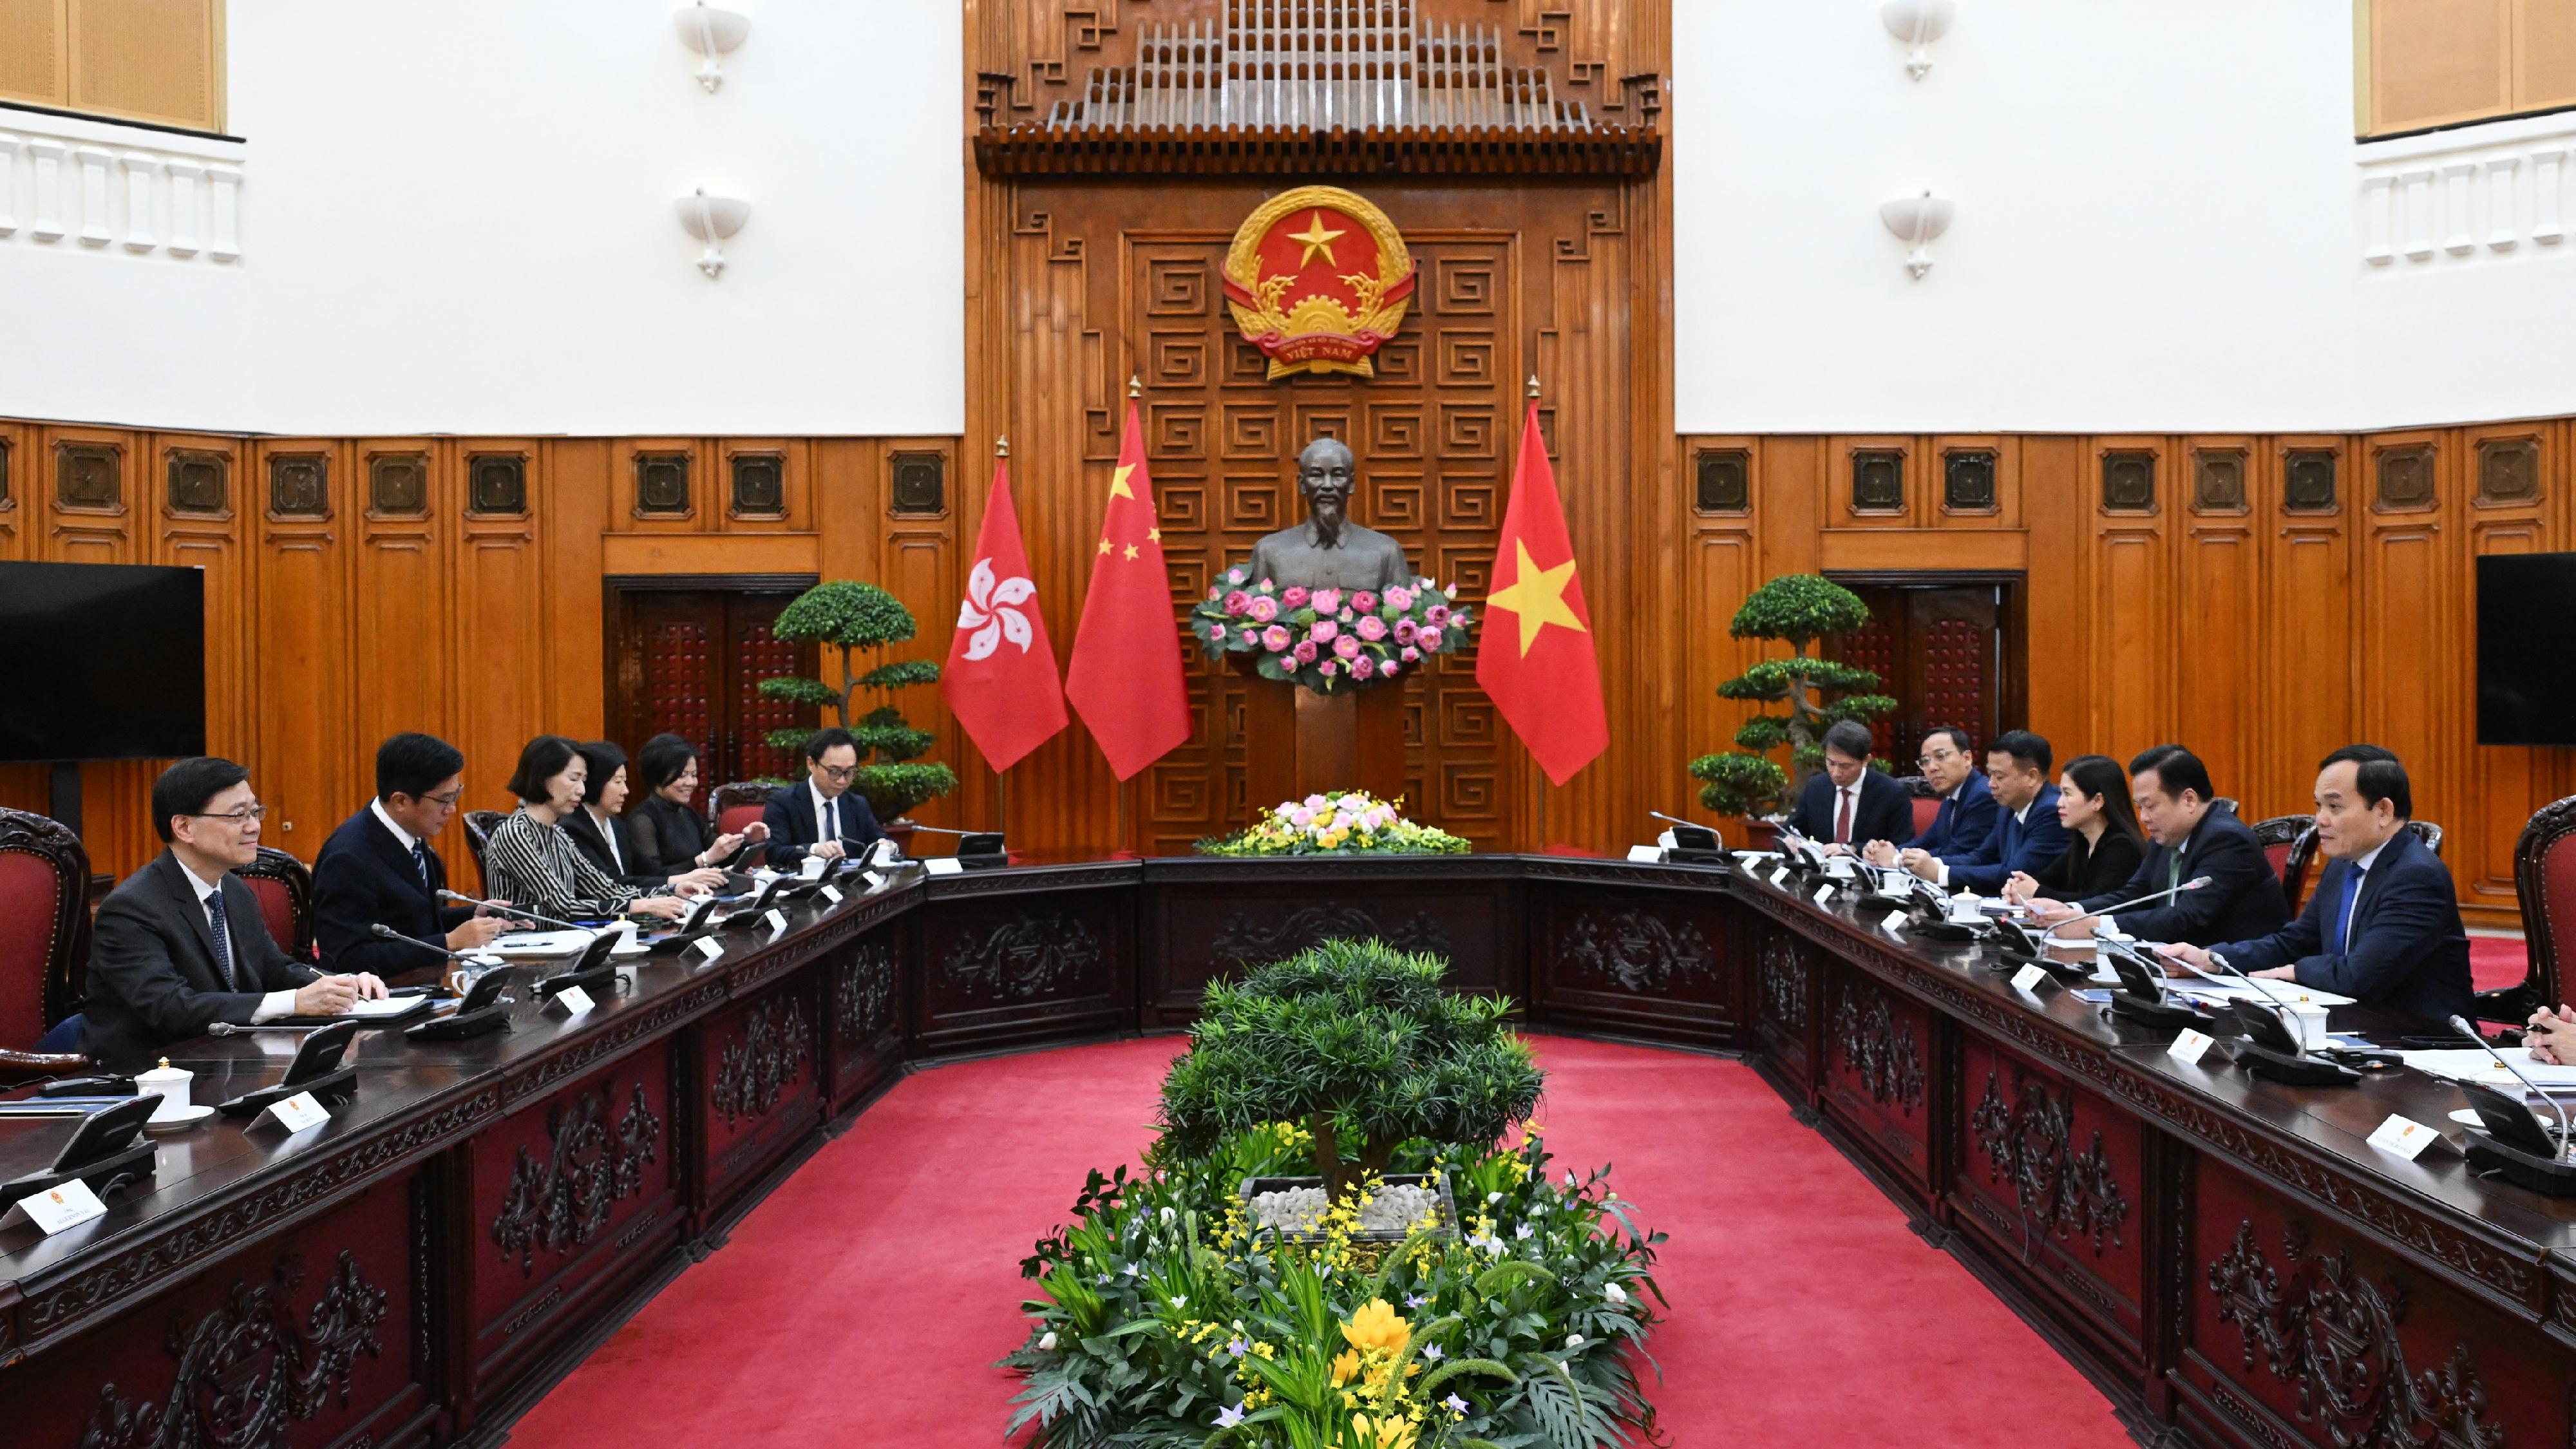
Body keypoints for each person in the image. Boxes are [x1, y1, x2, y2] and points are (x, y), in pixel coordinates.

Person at [83, 757, 386, 1069]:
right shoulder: (132, 908)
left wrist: (341, 985)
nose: (254, 826)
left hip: (226, 1062)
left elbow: (272, 967)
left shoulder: (233, 889)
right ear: (184, 827)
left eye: (255, 812)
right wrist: (295, 1001)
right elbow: (170, 1008)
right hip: (148, 1077)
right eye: (237, 815)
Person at [2158, 746, 2472, 1025]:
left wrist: (2294, 972)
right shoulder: (2342, 866)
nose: (2319, 820)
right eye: (2319, 806)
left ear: (2384, 811)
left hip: (2418, 1040)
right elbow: (2293, 942)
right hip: (2356, 1024)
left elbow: (2360, 976)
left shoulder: (2416, 876)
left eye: (2334, 807)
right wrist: (2212, 959)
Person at [2027, 744, 2289, 947]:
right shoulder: (2167, 836)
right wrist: (2072, 910)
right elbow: (2134, 895)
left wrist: (2095, 925)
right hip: (2180, 966)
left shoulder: (2228, 841)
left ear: (2188, 799)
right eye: (2140, 807)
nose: (2143, 818)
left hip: (2237, 978)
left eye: (2150, 806)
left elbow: (2186, 918)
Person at [312, 732, 523, 980]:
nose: (452, 809)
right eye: (444, 800)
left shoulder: (408, 833)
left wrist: (473, 914)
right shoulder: (348, 857)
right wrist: (449, 942)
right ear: (400, 800)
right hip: (384, 999)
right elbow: (349, 958)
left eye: (456, 795)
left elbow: (413, 923)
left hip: (426, 983)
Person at [481, 735, 694, 922]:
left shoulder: (558, 834)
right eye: (574, 779)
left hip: (560, 944)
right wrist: (640, 906)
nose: (582, 790)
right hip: (523, 949)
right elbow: (563, 905)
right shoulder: (516, 834)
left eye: (584, 780)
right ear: (543, 777)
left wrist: (669, 891)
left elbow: (604, 889)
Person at [1902, 730, 2070, 893]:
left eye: (1999, 777)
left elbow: (2013, 872)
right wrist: (1930, 864)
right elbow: (1980, 857)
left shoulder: (2051, 812)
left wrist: (1940, 873)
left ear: (2032, 777)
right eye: (1990, 775)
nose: (1991, 784)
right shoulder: (2008, 809)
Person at [562, 740, 727, 894]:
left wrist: (690, 878)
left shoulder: (615, 824)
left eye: (625, 782)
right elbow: (611, 884)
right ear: (597, 782)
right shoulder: (573, 828)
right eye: (618, 782)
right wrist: (684, 879)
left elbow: (652, 872)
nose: (625, 791)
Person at [2005, 753, 2150, 905]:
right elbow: (2045, 879)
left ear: (2097, 801)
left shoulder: (2122, 848)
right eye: (2061, 793)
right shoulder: (2083, 842)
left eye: (2067, 794)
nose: (2059, 803)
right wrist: (2017, 887)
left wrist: (2036, 893)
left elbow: (2096, 904)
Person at [629, 732, 768, 877]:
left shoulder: (688, 813)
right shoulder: (642, 820)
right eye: (682, 776)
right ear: (657, 776)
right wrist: (705, 860)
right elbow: (651, 878)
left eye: (694, 775)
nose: (691, 783)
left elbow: (722, 856)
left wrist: (746, 840)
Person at [1862, 726, 1994, 869]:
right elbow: (1927, 841)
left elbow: (1958, 851)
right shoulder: (1951, 796)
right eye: (1925, 761)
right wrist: (1884, 851)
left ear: (1967, 758)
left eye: (1941, 756)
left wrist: (1898, 859)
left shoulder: (1983, 795)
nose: (1932, 767)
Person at [761, 726, 885, 871]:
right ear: (811, 764)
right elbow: (774, 853)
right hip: (804, 888)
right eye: (834, 772)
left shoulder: (857, 804)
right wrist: (815, 850)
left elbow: (878, 840)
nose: (842, 781)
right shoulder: (784, 802)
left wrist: (887, 846)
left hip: (852, 886)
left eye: (849, 772)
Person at [1782, 720, 1910, 853]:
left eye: (1845, 766)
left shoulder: (1892, 793)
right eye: (1831, 763)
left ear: (1866, 761)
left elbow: (1903, 846)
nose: (1836, 773)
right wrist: (1789, 840)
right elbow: (1792, 828)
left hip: (1868, 871)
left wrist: (1853, 849)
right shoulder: (1816, 787)